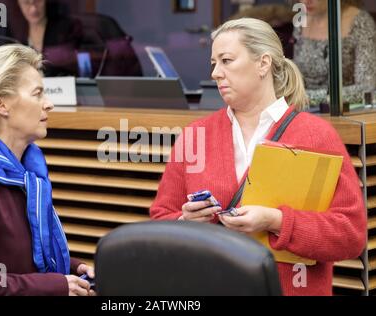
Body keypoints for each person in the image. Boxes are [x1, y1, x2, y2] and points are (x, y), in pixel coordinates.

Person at [150, 18, 366, 296]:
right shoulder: (196, 135)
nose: (216, 72)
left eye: (226, 60)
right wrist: (184, 223)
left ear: (263, 64)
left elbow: (350, 235)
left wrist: (276, 221)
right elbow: (159, 222)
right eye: (213, 63)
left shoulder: (317, 135)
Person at [0, 44, 96, 296]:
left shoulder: (31, 175)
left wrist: (76, 270)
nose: (49, 105)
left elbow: (25, 260)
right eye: (37, 94)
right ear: (2, 105)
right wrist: (55, 287)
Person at [292, 0, 376, 106]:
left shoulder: (360, 22)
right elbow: (296, 75)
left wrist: (309, 97)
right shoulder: (302, 19)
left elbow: (367, 88)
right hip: (302, 108)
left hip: (344, 110)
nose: (306, 1)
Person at [6, 0, 84, 77]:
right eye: (26, 2)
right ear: (18, 3)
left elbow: (79, 61)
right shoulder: (14, 31)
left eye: (38, 1)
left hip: (59, 85)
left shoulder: (66, 27)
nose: (33, 9)